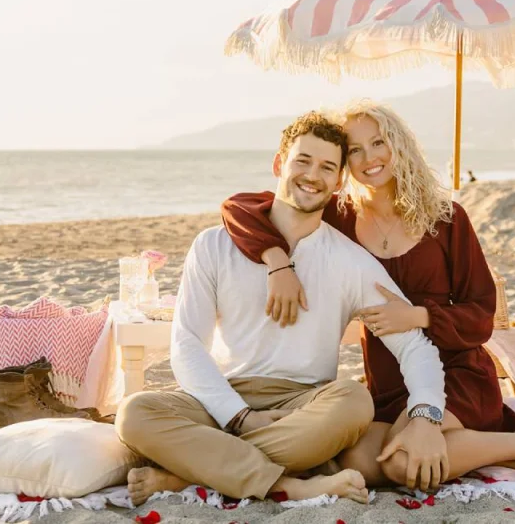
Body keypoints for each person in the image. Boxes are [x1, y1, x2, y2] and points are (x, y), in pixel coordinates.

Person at [221, 100, 515, 488]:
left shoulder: (446, 218)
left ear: (397, 145)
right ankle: (501, 454)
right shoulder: (339, 217)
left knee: (401, 462)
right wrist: (277, 262)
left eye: (378, 142)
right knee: (364, 462)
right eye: (354, 149)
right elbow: (240, 207)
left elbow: (482, 315)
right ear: (344, 163)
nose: (369, 158)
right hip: (389, 379)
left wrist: (420, 316)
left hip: (456, 372)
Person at [115, 111, 450, 506]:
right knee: (135, 413)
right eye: (302, 161)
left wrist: (426, 415)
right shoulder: (213, 246)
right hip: (222, 397)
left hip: (304, 406)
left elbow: (415, 347)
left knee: (354, 402)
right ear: (279, 164)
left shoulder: (349, 260)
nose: (313, 175)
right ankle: (293, 483)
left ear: (340, 180)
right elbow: (187, 344)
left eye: (327, 167)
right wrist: (238, 416)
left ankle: (190, 470)